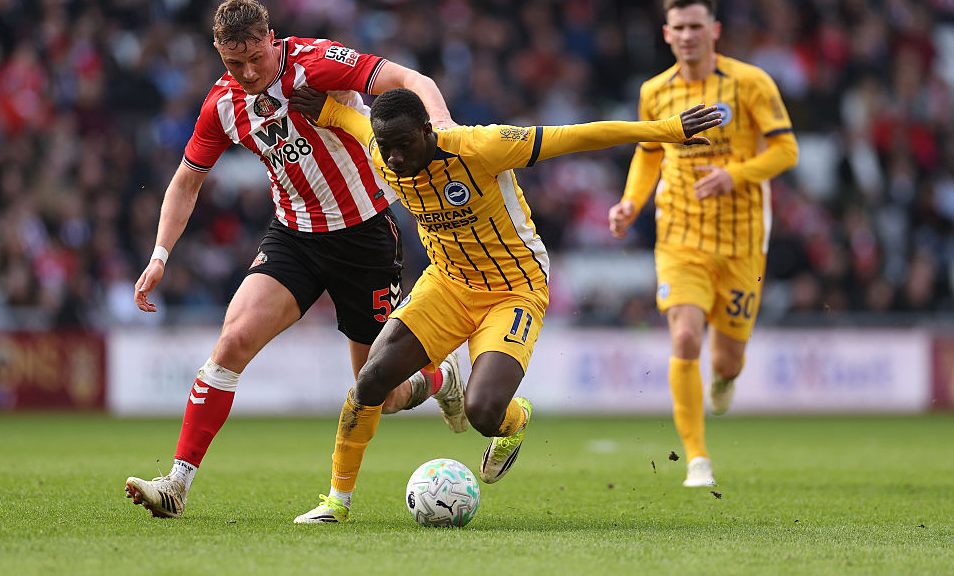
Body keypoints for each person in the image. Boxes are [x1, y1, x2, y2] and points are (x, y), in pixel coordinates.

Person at [288, 86, 722, 523]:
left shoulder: (483, 147)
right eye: (387, 148)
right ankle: (336, 503)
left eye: (404, 145)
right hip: (447, 283)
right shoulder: (382, 147)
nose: (395, 157)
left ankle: (514, 422)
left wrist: (666, 130)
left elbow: (575, 135)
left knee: (483, 412)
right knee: (372, 380)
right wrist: (326, 108)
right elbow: (354, 123)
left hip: (513, 287)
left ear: (428, 130)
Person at [124, 0, 469, 519]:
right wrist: (159, 255)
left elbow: (411, 80)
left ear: (270, 38)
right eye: (232, 63)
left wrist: (441, 124)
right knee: (233, 341)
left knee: (382, 392)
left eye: (254, 58)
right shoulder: (222, 103)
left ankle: (440, 379)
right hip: (295, 238)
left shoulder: (318, 62)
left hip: (365, 238)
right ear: (219, 53)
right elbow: (186, 182)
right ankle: (176, 485)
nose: (246, 72)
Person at [608, 0, 799, 487]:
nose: (689, 35)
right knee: (686, 334)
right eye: (680, 28)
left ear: (714, 31)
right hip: (680, 237)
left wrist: (734, 175)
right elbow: (649, 153)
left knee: (728, 359)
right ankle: (697, 458)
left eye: (698, 27)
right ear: (666, 34)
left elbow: (786, 151)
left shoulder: (750, 82)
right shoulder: (655, 91)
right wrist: (631, 202)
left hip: (741, 241)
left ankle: (724, 378)